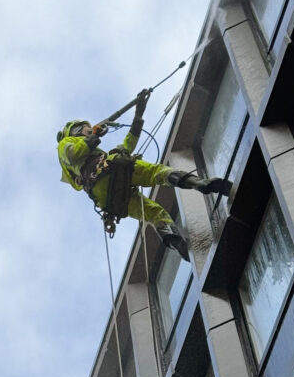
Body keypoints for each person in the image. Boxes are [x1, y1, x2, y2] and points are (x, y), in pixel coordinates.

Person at [57, 90, 231, 261]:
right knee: (158, 172)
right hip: (109, 170)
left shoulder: (99, 154)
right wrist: (92, 136)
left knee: (153, 212)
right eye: (83, 128)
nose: (87, 130)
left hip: (108, 198)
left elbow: (129, 143)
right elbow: (73, 153)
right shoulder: (65, 144)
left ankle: (174, 241)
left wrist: (138, 115)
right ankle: (201, 184)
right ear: (76, 131)